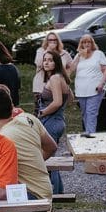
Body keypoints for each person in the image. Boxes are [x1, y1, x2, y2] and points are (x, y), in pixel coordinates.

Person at [0, 84, 55, 200]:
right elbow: (51, 147)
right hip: (45, 192)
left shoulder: (2, 138)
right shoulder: (28, 118)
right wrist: (33, 164)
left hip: (31, 196)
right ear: (12, 106)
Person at [36, 49, 72, 193]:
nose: (46, 62)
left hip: (51, 121)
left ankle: (56, 192)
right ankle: (58, 190)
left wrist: (41, 113)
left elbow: (57, 102)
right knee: (51, 156)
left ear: (56, 62)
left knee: (49, 158)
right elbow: (70, 98)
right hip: (57, 120)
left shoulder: (55, 79)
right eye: (45, 60)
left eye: (50, 60)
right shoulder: (61, 78)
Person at [69, 34, 106, 134]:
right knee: (84, 112)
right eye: (84, 42)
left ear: (92, 43)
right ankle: (88, 131)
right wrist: (79, 55)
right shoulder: (79, 56)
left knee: (91, 111)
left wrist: (101, 83)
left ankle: (90, 132)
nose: (86, 44)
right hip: (81, 89)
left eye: (88, 42)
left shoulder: (98, 54)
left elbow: (105, 70)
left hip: (95, 88)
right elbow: (71, 69)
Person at [32, 32, 73, 99]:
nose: (52, 42)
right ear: (46, 41)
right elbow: (39, 63)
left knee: (57, 105)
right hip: (41, 85)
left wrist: (66, 75)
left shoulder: (64, 53)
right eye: (50, 40)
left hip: (58, 86)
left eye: (55, 40)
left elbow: (71, 66)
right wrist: (48, 50)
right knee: (41, 107)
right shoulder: (41, 51)